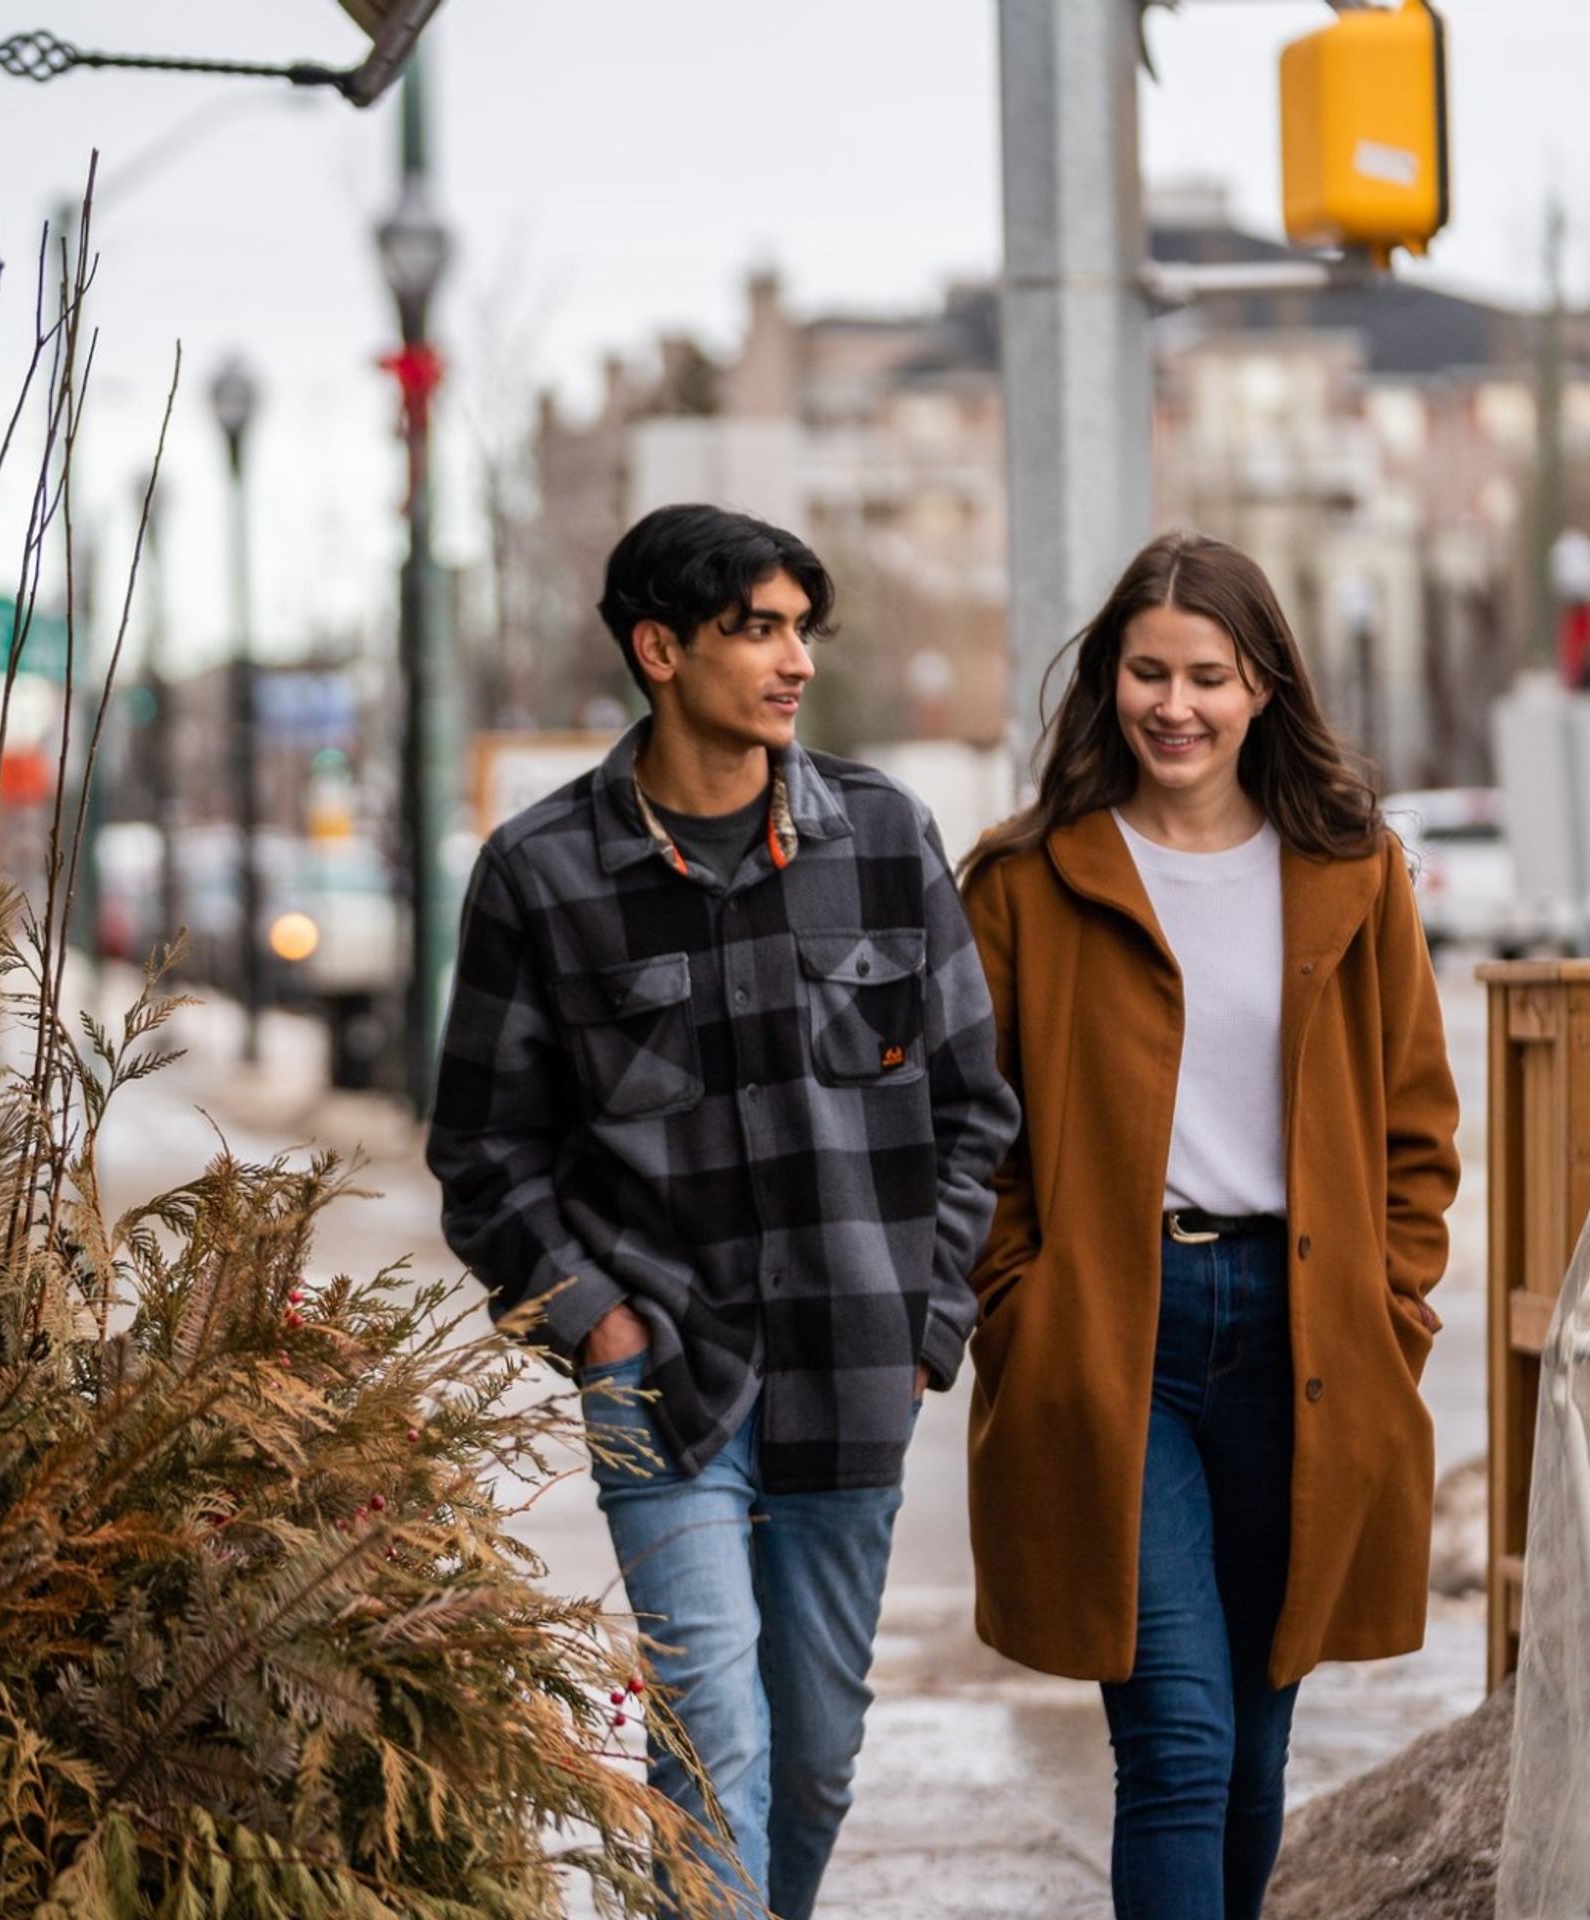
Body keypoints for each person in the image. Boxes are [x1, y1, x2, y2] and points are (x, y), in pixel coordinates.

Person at [427, 502, 1018, 1919]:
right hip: (666, 1387)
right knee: (716, 1745)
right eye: (757, 628)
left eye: (801, 628)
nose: (793, 660)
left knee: (812, 1759)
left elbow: (972, 1111)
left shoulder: (881, 836)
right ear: (660, 648)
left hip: (851, 1372)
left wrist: (929, 1320)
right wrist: (600, 1328)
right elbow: (484, 1154)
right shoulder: (543, 875)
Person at [958, 529, 1460, 1920]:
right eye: (1145, 672)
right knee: (1176, 1743)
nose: (1173, 705)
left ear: (1263, 693)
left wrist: (1393, 1307)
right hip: (1117, 1346)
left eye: (1208, 676)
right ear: (1107, 682)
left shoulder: (1356, 871)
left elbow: (1418, 1129)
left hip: (1309, 1338)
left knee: (1253, 1754)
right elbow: (968, 1133)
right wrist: (1025, 1304)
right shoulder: (1025, 878)